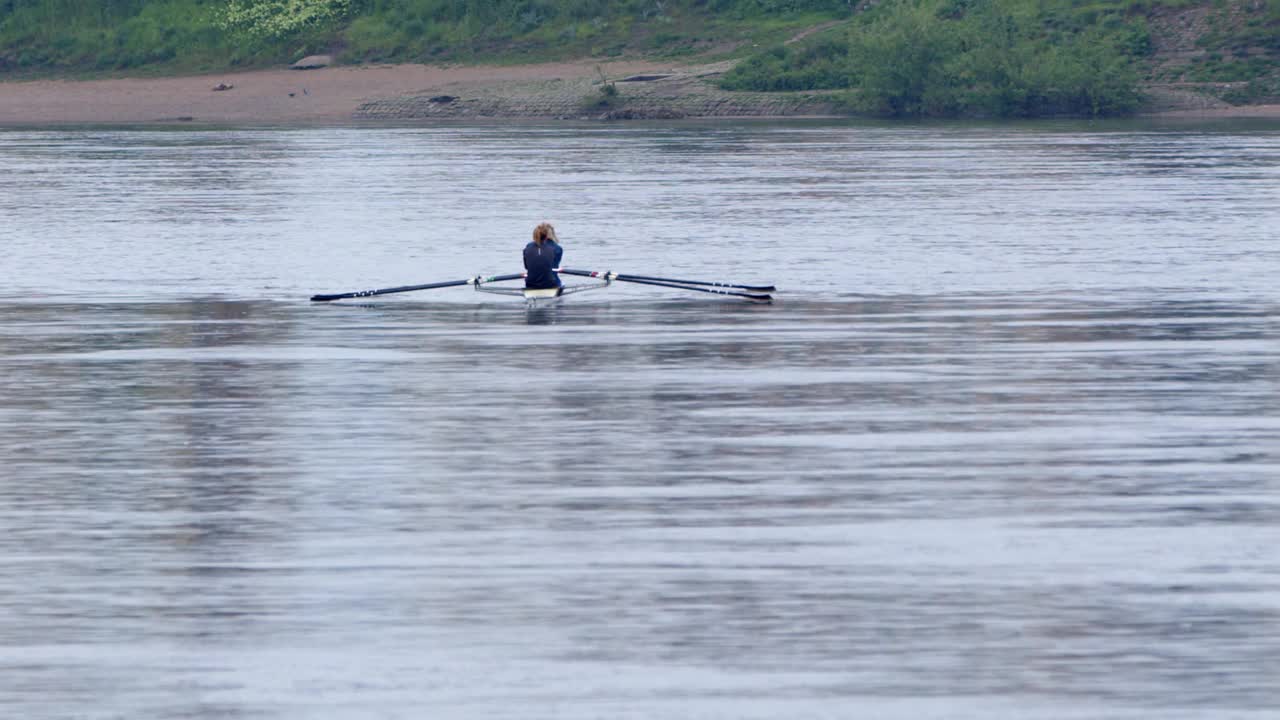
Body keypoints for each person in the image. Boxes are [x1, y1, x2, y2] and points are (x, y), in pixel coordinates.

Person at [523, 222, 563, 290]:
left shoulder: (528, 247)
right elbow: (554, 267)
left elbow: (527, 267)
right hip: (551, 284)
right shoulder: (557, 248)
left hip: (530, 284)